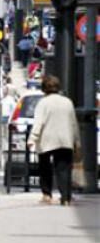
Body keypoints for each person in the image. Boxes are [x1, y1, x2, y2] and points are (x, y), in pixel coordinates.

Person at [27, 76, 79, 206]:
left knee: (45, 167)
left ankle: (47, 195)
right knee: (64, 169)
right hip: (65, 139)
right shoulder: (68, 102)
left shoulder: (43, 103)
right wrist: (77, 141)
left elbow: (38, 123)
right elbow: (74, 124)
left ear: (44, 88)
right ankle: (66, 197)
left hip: (47, 139)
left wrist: (32, 138)